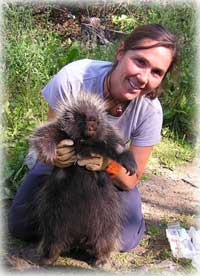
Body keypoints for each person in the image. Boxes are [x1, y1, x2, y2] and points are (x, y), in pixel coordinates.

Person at [8, 24, 177, 252]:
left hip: (106, 173)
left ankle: (80, 228)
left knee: (124, 238)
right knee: (20, 226)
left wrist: (108, 165)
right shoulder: (74, 78)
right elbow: (49, 137)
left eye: (156, 72)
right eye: (140, 61)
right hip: (63, 169)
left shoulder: (150, 111)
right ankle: (67, 229)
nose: (143, 77)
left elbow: (130, 177)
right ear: (121, 51)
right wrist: (56, 155)